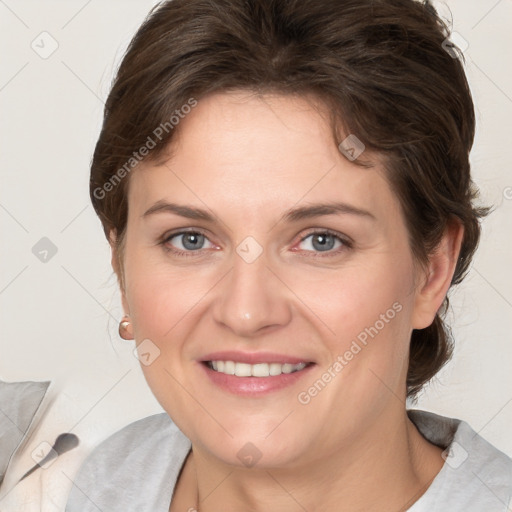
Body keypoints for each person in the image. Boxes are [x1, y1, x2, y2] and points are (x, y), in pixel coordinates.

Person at [65, 0, 512, 510]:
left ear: (432, 271)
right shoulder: (73, 487)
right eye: (190, 239)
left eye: (322, 240)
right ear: (121, 266)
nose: (247, 312)